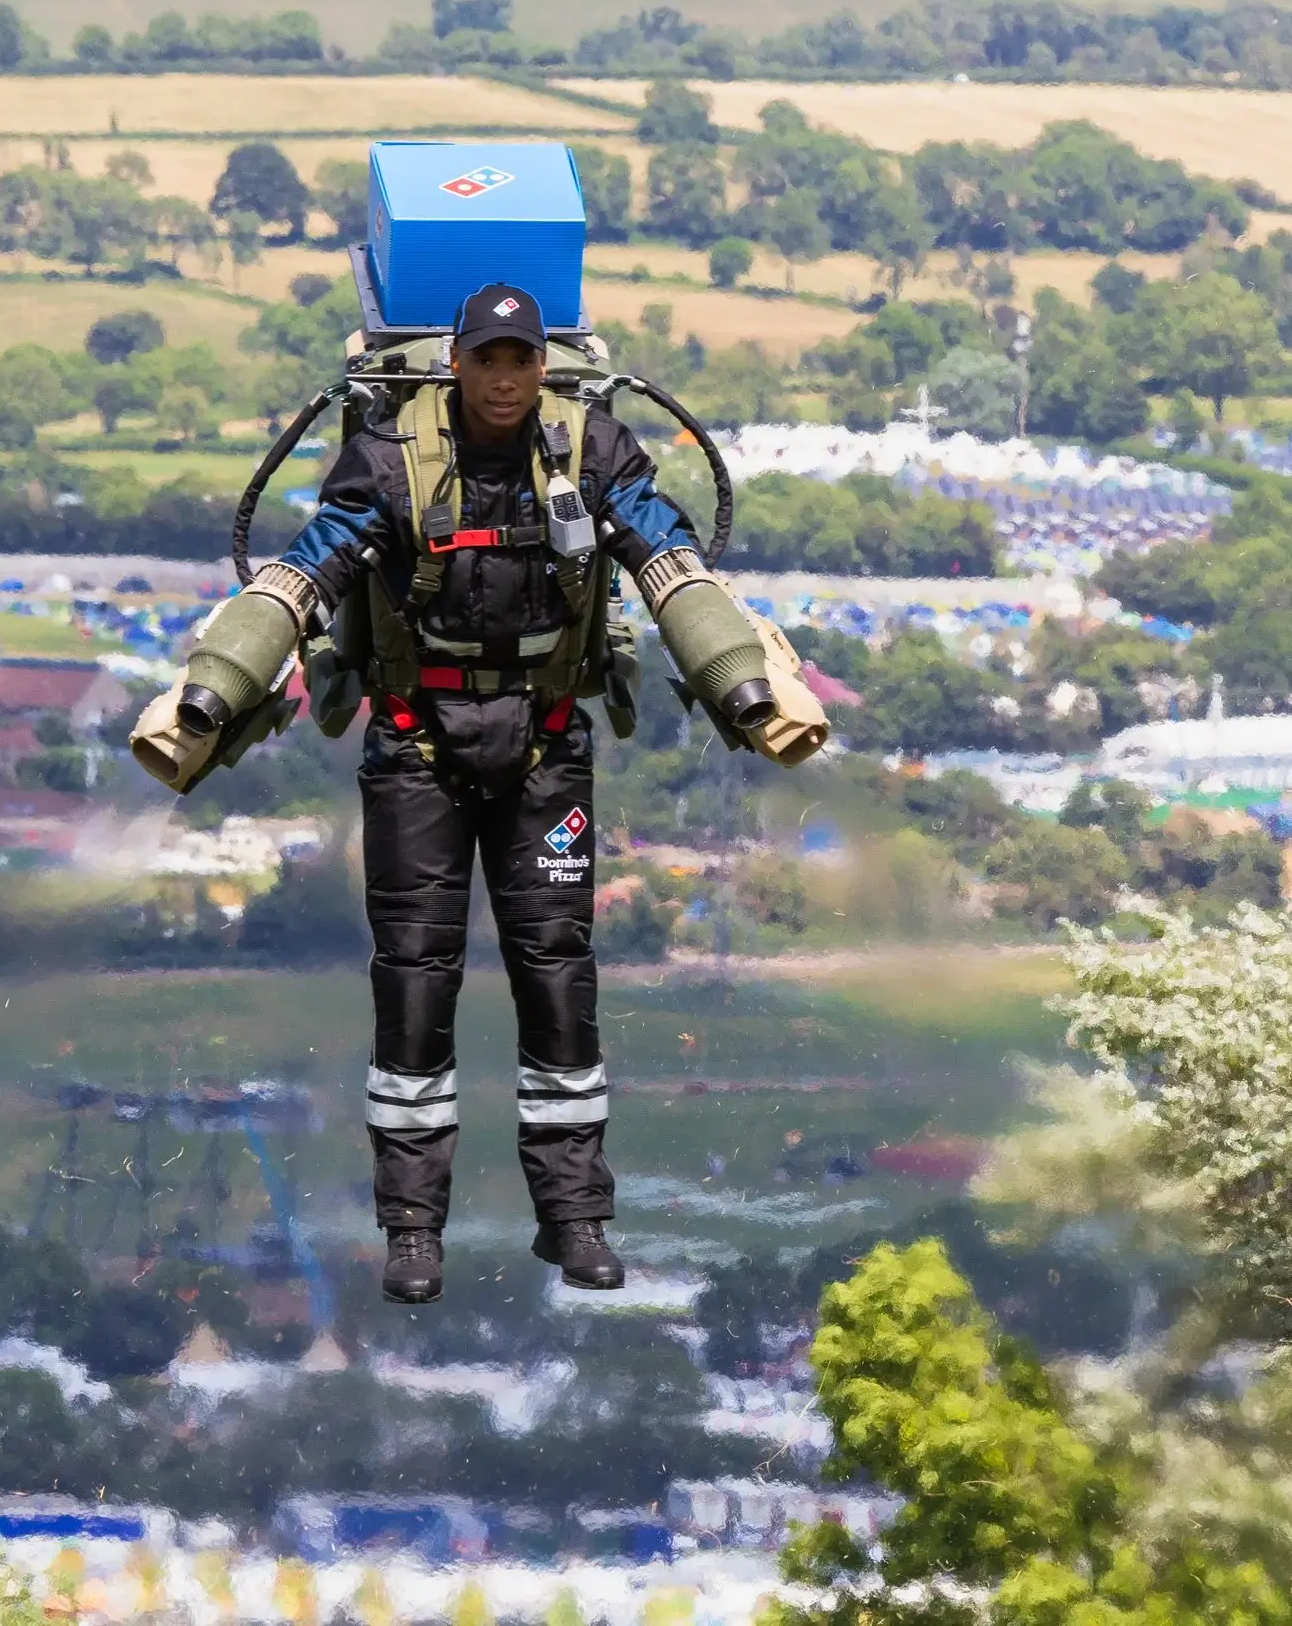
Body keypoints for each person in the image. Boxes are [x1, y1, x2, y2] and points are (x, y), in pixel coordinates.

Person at [133, 281, 804, 1304]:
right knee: (413, 982)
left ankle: (574, 1221)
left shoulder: (592, 452)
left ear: (544, 366)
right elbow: (305, 571)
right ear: (455, 363)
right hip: (415, 748)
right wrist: (214, 691)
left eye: (520, 361)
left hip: (542, 748)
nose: (503, 379)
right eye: (486, 360)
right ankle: (412, 1230)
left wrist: (741, 684)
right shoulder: (389, 460)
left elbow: (662, 552)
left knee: (559, 981)